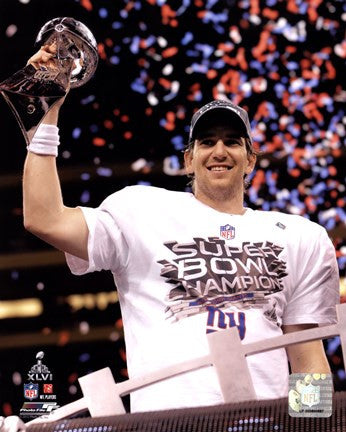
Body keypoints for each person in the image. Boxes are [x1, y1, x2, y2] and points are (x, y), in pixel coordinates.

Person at [21, 45, 339, 413]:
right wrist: (47, 114)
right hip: (168, 422)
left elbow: (307, 356)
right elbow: (45, 219)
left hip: (262, 421)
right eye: (207, 142)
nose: (219, 150)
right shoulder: (141, 210)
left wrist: (314, 423)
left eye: (232, 142)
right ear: (189, 159)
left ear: (251, 159)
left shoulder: (300, 237)